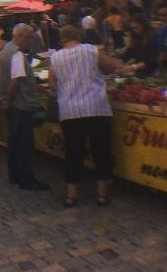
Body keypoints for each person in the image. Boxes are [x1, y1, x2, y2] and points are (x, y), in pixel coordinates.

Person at [48, 25, 124, 207]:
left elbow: (52, 85)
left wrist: (67, 90)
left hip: (71, 112)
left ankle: (71, 195)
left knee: (73, 154)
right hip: (96, 108)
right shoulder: (91, 50)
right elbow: (111, 67)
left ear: (63, 39)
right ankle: (101, 195)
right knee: (101, 152)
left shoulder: (55, 58)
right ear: (78, 36)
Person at [0, 23, 50, 191]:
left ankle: (14, 175)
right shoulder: (17, 54)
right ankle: (27, 180)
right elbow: (17, 79)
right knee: (24, 144)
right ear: (19, 35)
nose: (30, 41)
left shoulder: (6, 50)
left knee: (14, 142)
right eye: (28, 38)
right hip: (20, 105)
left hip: (13, 106)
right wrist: (9, 98)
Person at [118, 13, 158, 78]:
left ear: (144, 25)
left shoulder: (153, 37)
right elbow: (130, 53)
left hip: (151, 74)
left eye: (137, 27)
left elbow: (151, 61)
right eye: (133, 28)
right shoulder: (136, 38)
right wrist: (117, 62)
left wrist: (132, 67)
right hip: (139, 74)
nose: (135, 30)